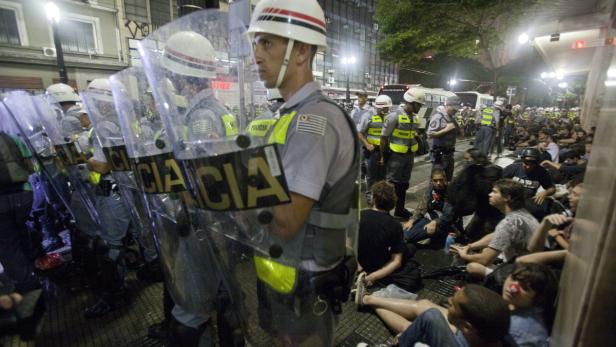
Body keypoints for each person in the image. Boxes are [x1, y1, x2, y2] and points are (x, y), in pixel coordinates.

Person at [248, 0, 359, 344]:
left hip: (305, 286)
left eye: (267, 42)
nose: (257, 54)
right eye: (256, 43)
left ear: (301, 53)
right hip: (285, 276)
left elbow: (285, 221)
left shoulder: (313, 123)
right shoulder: (289, 115)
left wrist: (231, 195)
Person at [359, 284, 515, 347]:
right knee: (424, 305)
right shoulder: (498, 328)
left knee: (425, 319)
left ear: (467, 326)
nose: (448, 301)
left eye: (453, 304)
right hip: (470, 340)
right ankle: (368, 299)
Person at [451, 179, 539, 280]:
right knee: (485, 249)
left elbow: (485, 260)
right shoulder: (521, 214)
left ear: (507, 198)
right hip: (526, 266)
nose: (490, 194)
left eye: (494, 192)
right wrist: (470, 246)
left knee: (472, 267)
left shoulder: (508, 223)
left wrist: (464, 255)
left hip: (519, 275)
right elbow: (496, 235)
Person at [357, 181, 420, 294]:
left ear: (374, 198)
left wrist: (359, 268)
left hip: (360, 263)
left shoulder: (358, 215)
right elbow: (396, 262)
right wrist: (373, 277)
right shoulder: (395, 225)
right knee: (410, 248)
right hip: (379, 265)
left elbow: (346, 247)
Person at [0, 131, 38, 292]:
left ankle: (27, 286)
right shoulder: (13, 139)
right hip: (23, 194)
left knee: (8, 244)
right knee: (22, 231)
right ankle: (33, 269)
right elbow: (30, 167)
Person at [380, 89, 424, 219]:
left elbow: (411, 134)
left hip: (409, 156)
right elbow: (384, 137)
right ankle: (385, 212)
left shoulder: (414, 117)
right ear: (410, 102)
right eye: (418, 105)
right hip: (395, 156)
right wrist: (384, 155)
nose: (420, 107)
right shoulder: (394, 116)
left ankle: (399, 209)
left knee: (404, 184)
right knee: (391, 184)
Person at [403, 168, 457, 247]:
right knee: (407, 231)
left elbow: (448, 215)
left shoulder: (450, 192)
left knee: (409, 236)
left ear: (445, 179)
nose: (438, 183)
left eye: (441, 180)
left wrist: (435, 222)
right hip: (428, 219)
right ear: (431, 181)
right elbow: (421, 207)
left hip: (443, 224)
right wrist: (412, 220)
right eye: (435, 180)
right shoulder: (430, 189)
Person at [503, 147, 555, 219]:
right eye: (526, 163)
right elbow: (499, 182)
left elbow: (552, 188)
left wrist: (545, 193)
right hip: (509, 200)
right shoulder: (513, 168)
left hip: (526, 203)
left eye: (532, 164)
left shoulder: (542, 172)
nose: (528, 166)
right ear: (522, 160)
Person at [358, 95, 391, 203]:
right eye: (386, 107)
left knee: (382, 175)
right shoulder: (368, 116)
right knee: (372, 175)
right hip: (372, 151)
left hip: (384, 151)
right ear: (381, 107)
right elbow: (359, 133)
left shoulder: (388, 116)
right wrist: (367, 144)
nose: (388, 109)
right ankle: (370, 195)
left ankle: (380, 195)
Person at [427, 96, 460, 181]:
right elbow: (430, 134)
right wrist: (445, 130)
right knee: (437, 180)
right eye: (454, 109)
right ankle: (431, 194)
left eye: (456, 109)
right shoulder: (438, 117)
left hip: (449, 154)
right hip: (439, 155)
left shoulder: (451, 117)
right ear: (447, 105)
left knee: (447, 179)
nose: (455, 111)